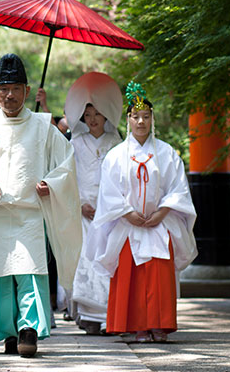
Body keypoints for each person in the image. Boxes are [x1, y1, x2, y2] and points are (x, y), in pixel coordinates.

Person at [0, 54, 83, 358]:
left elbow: (65, 163)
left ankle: (28, 329)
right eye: (3, 89)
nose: (9, 95)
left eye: (15, 88)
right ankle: (7, 332)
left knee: (29, 272)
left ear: (27, 91)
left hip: (28, 214)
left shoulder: (43, 125)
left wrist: (50, 184)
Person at [88, 81, 198, 343]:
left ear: (152, 119)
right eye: (136, 117)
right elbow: (109, 191)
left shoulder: (167, 153)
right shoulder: (116, 156)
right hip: (128, 224)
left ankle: (160, 325)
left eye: (146, 117)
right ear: (128, 119)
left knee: (159, 275)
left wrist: (162, 212)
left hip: (161, 222)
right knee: (132, 276)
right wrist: (127, 213)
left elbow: (178, 187)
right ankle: (137, 325)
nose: (141, 122)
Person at [64, 72, 123, 335]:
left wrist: (111, 208)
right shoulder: (74, 144)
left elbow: (124, 180)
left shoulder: (117, 144)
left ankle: (110, 314)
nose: (93, 120)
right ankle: (88, 315)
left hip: (110, 214)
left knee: (108, 261)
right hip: (84, 211)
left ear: (106, 115)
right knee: (85, 262)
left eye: (97, 114)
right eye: (87, 116)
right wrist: (78, 206)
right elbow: (67, 179)